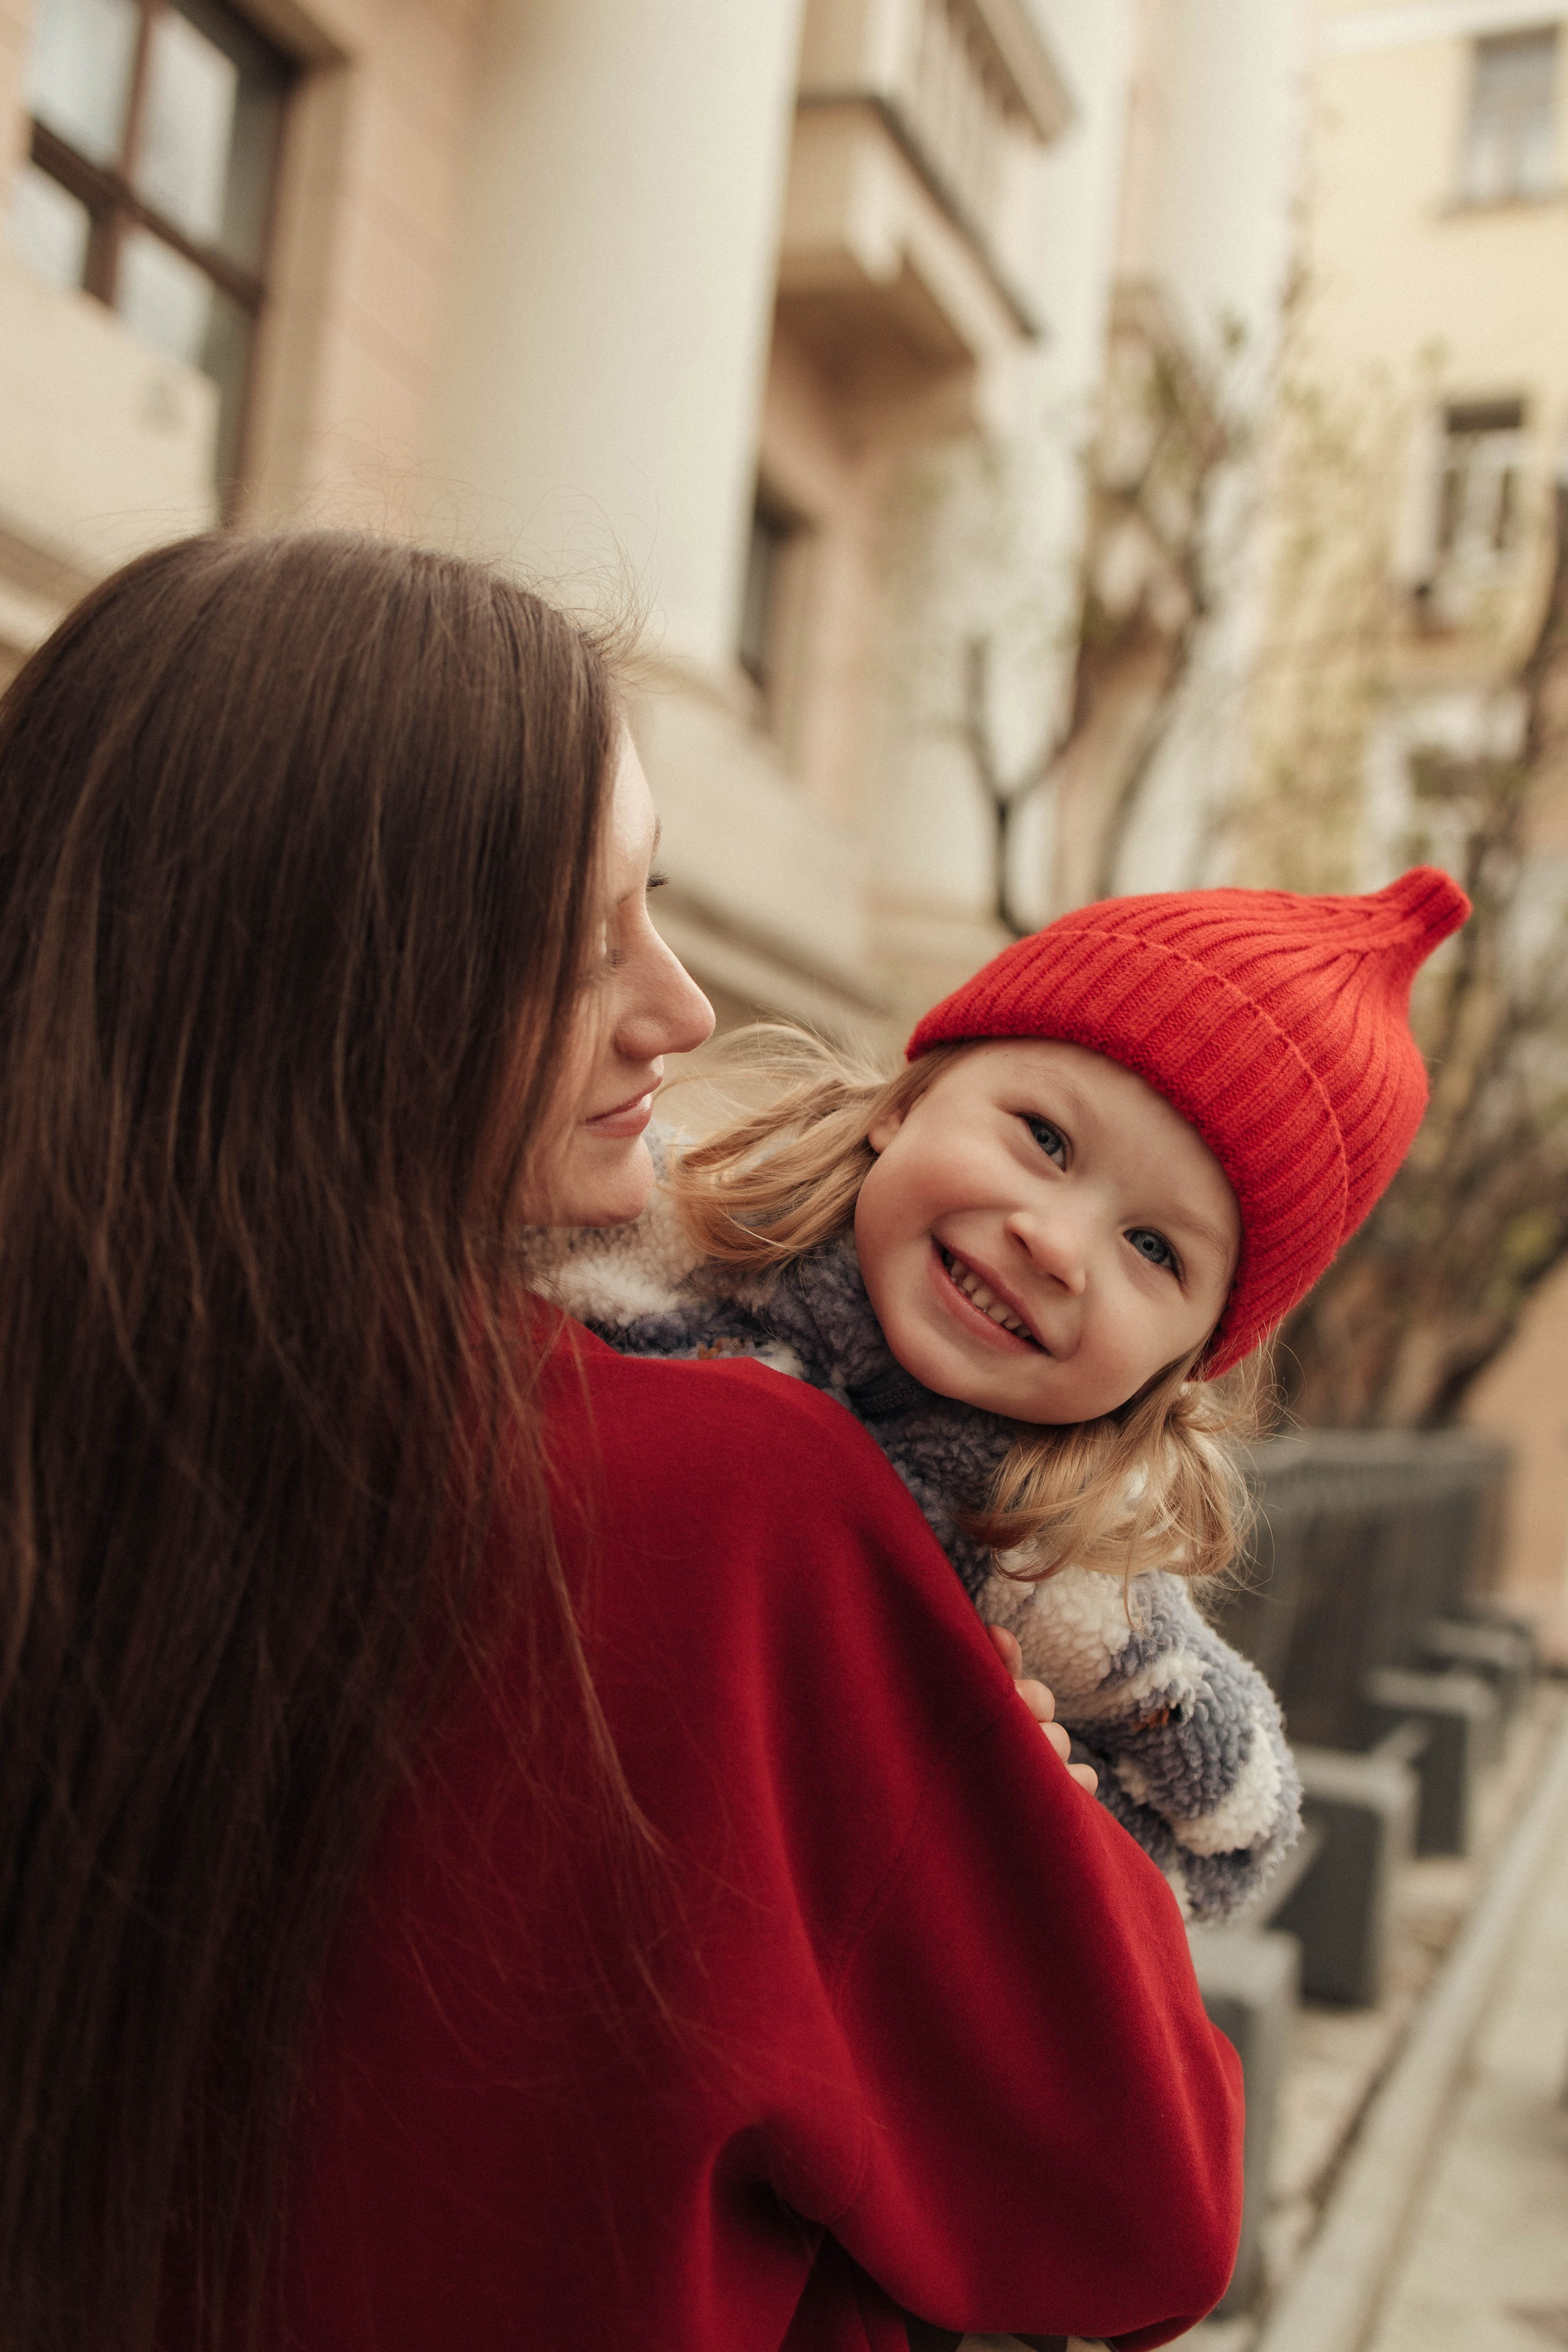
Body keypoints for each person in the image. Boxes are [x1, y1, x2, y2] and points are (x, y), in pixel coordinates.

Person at [0, 529, 1243, 2352]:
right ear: (331, 980)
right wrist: (1039, 1784)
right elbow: (1146, 2215)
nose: (683, 1009)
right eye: (586, 942)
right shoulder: (733, 1510)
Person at [537, 870, 1468, 1918]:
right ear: (909, 1100)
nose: (1057, 1244)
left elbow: (1236, 1833)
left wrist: (1049, 1807)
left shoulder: (1054, 1564)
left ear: (1187, 1358)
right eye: (1047, 1139)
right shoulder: (652, 1228)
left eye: (1154, 1248)